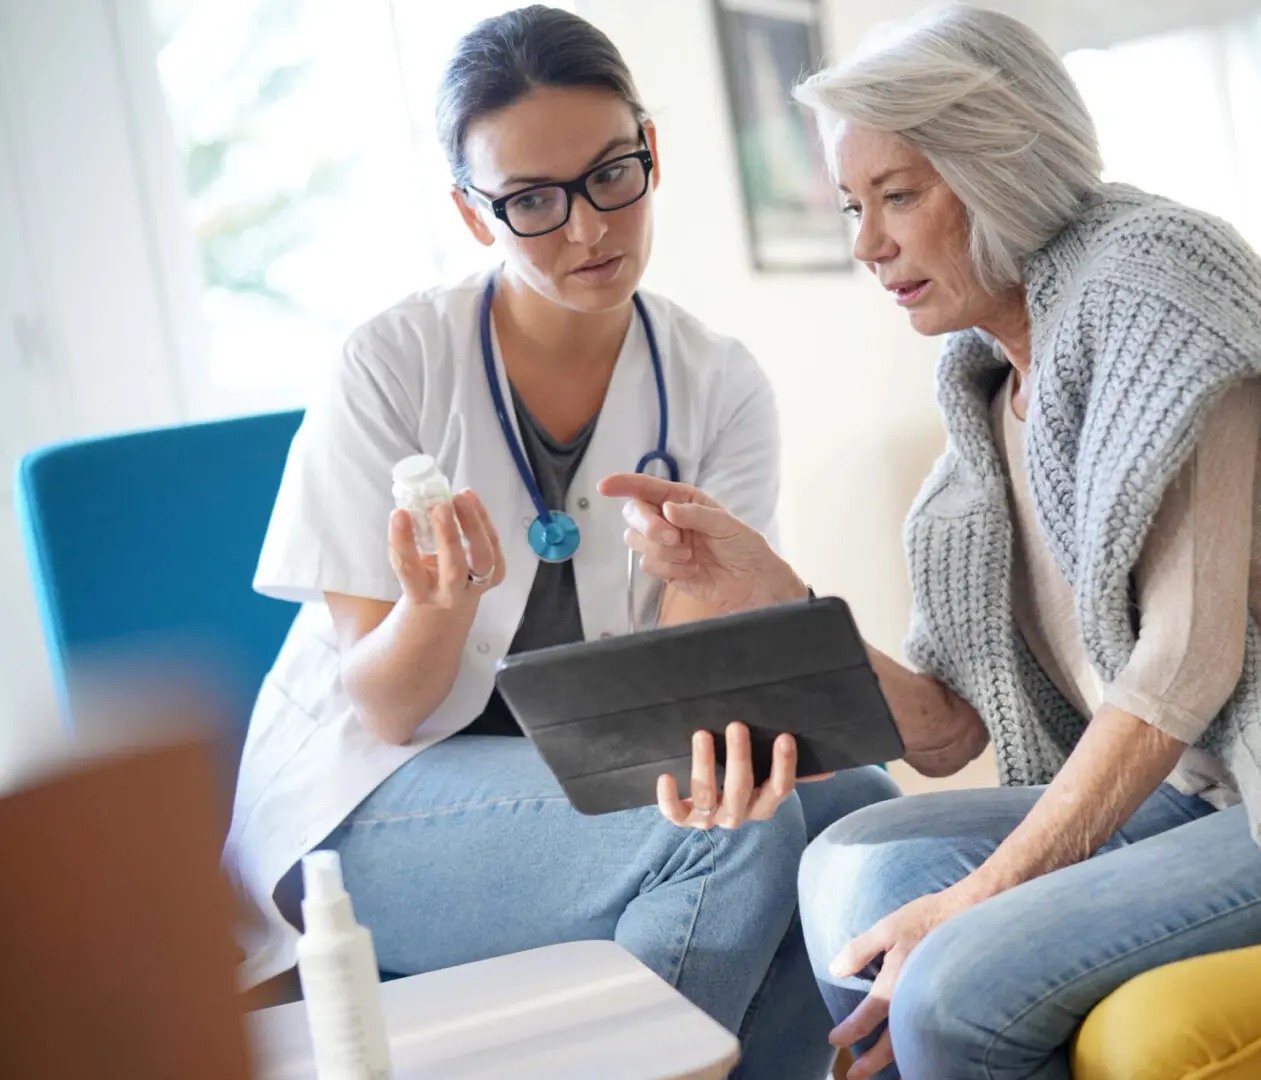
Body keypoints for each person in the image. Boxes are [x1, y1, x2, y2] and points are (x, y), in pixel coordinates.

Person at [605, 6, 1261, 1078]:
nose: (866, 245)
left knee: (956, 989)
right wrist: (775, 596)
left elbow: (1184, 659)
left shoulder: (1150, 278)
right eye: (849, 207)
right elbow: (946, 733)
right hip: (1227, 784)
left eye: (898, 196)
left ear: (997, 166)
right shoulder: (984, 394)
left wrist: (973, 902)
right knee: (848, 866)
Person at [222, 8, 897, 1079]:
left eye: (608, 175)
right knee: (725, 838)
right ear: (470, 210)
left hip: (582, 771)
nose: (585, 228)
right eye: (530, 201)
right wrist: (439, 606)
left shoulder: (715, 385)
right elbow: (388, 709)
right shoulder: (393, 366)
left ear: (651, 151)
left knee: (862, 816)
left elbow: (682, 701)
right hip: (367, 805)